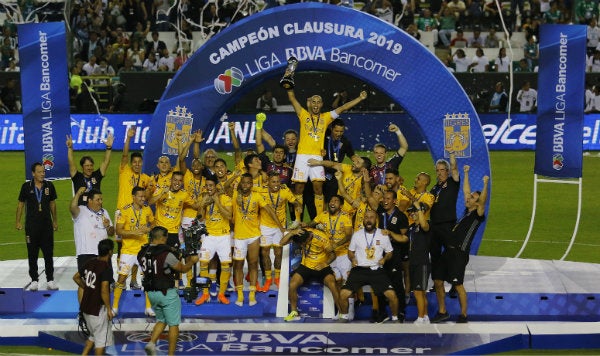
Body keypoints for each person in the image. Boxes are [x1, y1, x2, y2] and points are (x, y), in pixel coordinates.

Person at [286, 83, 367, 218]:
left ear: (322, 104)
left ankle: (318, 220)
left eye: (318, 102)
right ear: (310, 103)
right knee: (298, 189)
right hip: (301, 156)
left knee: (318, 189)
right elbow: (292, 98)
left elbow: (343, 108)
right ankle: (297, 221)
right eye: (313, 102)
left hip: (317, 157)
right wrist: (289, 82)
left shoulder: (326, 117)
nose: (316, 104)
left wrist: (359, 98)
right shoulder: (303, 114)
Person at [431, 165, 489, 323]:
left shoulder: (477, 215)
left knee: (458, 285)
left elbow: (482, 201)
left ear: (477, 204)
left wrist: (485, 185)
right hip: (447, 252)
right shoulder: (466, 212)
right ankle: (442, 311)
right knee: (437, 280)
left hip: (459, 254)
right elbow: (465, 191)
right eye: (469, 197)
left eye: (472, 198)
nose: (468, 198)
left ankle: (463, 315)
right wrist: (466, 174)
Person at [139, 226, 199, 356]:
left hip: (151, 293)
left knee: (161, 320)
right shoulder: (166, 254)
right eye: (166, 237)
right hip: (167, 293)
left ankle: (151, 343)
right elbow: (182, 269)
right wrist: (192, 261)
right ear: (162, 237)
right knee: (174, 324)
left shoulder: (142, 252)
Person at [337, 210, 400, 323]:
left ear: (376, 220)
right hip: (359, 270)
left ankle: (395, 318)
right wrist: (352, 259)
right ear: (363, 220)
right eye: (366, 217)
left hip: (376, 270)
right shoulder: (357, 235)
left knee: (392, 295)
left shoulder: (383, 234)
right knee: (343, 294)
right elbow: (350, 252)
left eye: (371, 217)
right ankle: (344, 317)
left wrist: (385, 259)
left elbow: (390, 252)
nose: (369, 220)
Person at [231, 173, 283, 306]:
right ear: (240, 184)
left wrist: (280, 227)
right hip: (239, 236)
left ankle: (252, 294)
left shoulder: (257, 196)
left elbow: (270, 211)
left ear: (252, 184)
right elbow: (225, 187)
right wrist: (235, 176)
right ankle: (241, 295)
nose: (246, 185)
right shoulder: (235, 195)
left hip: (254, 235)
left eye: (249, 183)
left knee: (253, 264)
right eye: (244, 183)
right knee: (238, 265)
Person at [281, 228, 340, 322]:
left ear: (308, 238)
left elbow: (333, 255)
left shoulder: (322, 239)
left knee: (333, 284)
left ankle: (341, 313)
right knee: (292, 284)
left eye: (302, 244)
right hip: (306, 265)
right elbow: (282, 243)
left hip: (321, 266)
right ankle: (294, 312)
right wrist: (292, 232)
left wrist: (325, 264)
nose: (301, 246)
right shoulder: (300, 234)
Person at [113, 186, 155, 317]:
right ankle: (114, 307)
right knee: (121, 278)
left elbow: (153, 223)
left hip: (143, 249)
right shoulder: (124, 211)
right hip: (128, 251)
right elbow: (118, 231)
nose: (143, 198)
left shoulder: (147, 209)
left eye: (144, 196)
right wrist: (134, 232)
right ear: (134, 197)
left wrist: (148, 229)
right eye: (140, 196)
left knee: (148, 278)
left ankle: (148, 307)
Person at [16, 162, 59, 291]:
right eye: (39, 172)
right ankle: (34, 280)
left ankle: (50, 279)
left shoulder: (49, 186)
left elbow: (52, 204)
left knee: (48, 254)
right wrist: (18, 221)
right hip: (31, 227)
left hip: (46, 227)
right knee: (32, 254)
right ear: (33, 173)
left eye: (43, 172)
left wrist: (55, 221)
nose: (42, 174)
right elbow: (20, 205)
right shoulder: (26, 187)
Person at [258, 171, 301, 292]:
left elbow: (294, 201)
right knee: (265, 253)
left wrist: (297, 205)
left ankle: (277, 278)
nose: (276, 184)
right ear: (268, 182)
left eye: (278, 181)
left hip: (280, 226)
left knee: (278, 253)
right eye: (273, 182)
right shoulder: (261, 191)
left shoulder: (285, 191)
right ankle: (267, 280)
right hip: (265, 226)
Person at [429, 153, 460, 321]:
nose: (440, 172)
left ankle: (455, 284)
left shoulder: (453, 184)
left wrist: (452, 155)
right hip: (434, 226)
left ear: (447, 171)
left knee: (451, 255)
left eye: (443, 170)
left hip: (447, 225)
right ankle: (437, 282)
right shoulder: (434, 188)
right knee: (434, 255)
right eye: (438, 170)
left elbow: (455, 168)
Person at [194, 177, 233, 305]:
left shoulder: (226, 199)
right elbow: (200, 219)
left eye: (211, 185)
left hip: (223, 236)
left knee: (226, 265)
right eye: (207, 186)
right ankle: (205, 294)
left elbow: (228, 216)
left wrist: (217, 202)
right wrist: (202, 205)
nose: (209, 188)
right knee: (203, 263)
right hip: (209, 235)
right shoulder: (205, 199)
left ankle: (221, 294)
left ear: (216, 186)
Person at [72, 239, 115, 355]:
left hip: (86, 308)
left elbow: (76, 277)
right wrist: (109, 309)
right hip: (97, 310)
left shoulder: (90, 262)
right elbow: (104, 290)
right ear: (110, 252)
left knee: (93, 336)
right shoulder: (106, 268)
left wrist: (86, 287)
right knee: (101, 343)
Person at [71, 188, 115, 278]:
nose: (100, 202)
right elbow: (72, 207)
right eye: (97, 200)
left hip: (104, 254)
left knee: (106, 281)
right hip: (87, 254)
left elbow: (111, 233)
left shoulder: (104, 212)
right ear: (90, 200)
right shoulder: (81, 211)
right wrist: (78, 193)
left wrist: (107, 226)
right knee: (88, 282)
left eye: (101, 199)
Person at [66, 133, 114, 206]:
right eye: (87, 166)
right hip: (82, 212)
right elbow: (71, 161)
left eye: (91, 165)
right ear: (82, 167)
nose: (89, 168)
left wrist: (109, 148)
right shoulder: (77, 177)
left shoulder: (97, 175)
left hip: (97, 211)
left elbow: (106, 162)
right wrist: (70, 148)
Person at [407, 200, 432, 324]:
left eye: (413, 211)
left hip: (422, 263)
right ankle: (425, 316)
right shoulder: (412, 227)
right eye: (410, 212)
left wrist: (419, 209)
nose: (411, 214)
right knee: (421, 292)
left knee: (418, 291)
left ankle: (420, 317)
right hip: (413, 262)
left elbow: (424, 225)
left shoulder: (426, 224)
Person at [368, 124, 408, 188]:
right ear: (374, 154)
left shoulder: (392, 164)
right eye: (376, 153)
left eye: (381, 153)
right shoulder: (371, 170)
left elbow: (404, 147)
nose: (379, 155)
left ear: (386, 154)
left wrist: (398, 131)